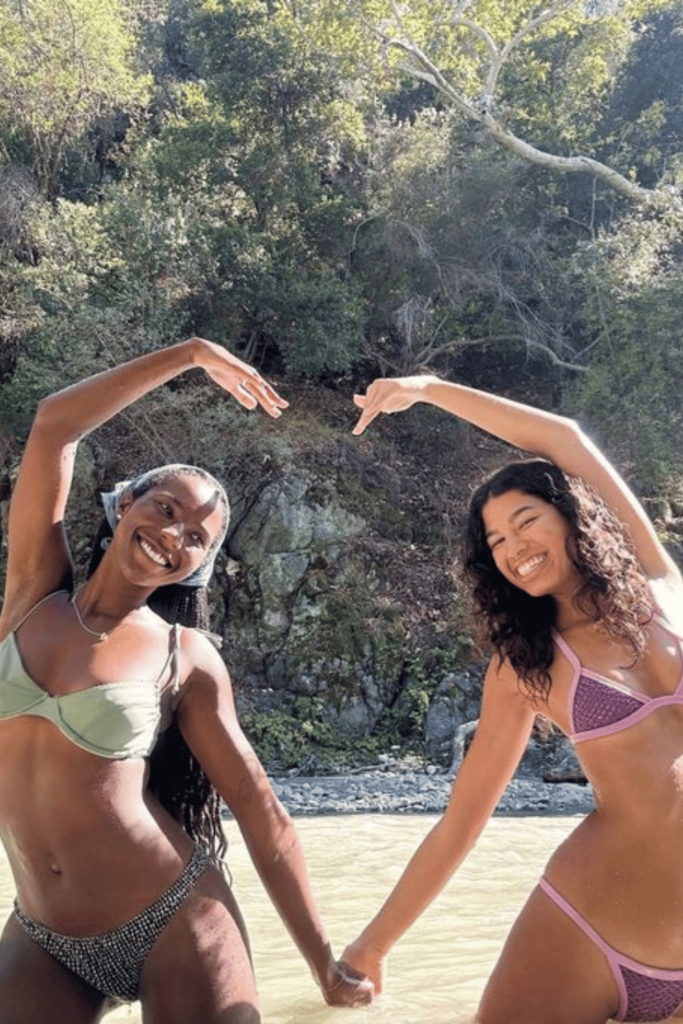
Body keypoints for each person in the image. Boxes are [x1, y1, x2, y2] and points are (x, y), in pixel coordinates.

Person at [0, 336, 372, 1023]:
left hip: (175, 918)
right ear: (126, 505)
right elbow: (54, 424)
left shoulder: (183, 655)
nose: (173, 535)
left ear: (196, 567)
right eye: (166, 509)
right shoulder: (32, 596)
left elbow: (263, 815)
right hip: (43, 936)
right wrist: (190, 355)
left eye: (196, 538)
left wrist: (322, 960)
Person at [345, 373, 683, 1024]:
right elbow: (461, 824)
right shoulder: (524, 667)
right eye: (495, 541)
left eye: (524, 520)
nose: (513, 548)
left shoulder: (659, 585)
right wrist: (371, 945)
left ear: (572, 513)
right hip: (586, 929)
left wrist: (430, 387)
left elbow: (562, 439)